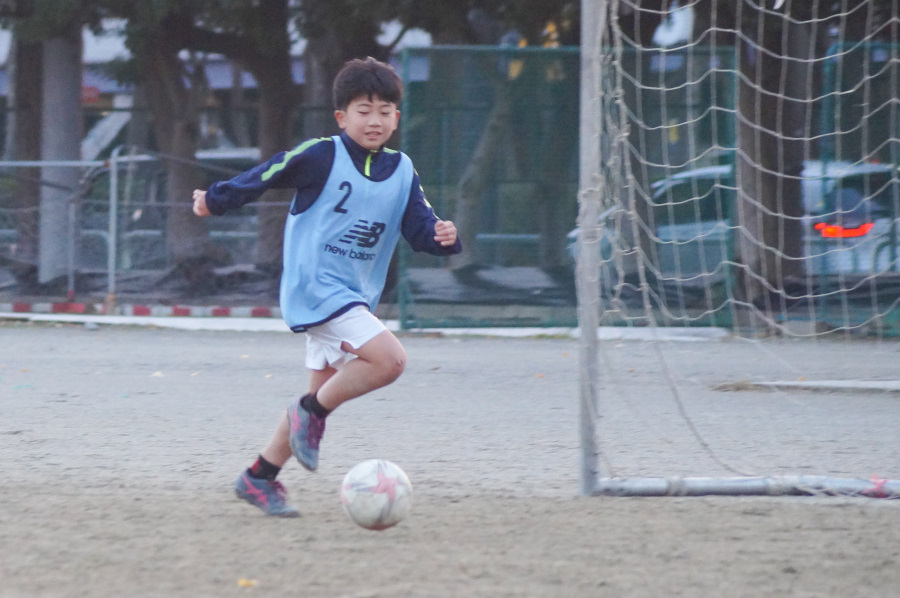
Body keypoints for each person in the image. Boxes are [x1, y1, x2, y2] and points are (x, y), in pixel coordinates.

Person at [192, 57, 462, 517]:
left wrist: (442, 237)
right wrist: (214, 200)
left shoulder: (402, 170)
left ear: (397, 117)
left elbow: (419, 228)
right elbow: (266, 174)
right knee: (390, 361)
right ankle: (309, 414)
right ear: (341, 117)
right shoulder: (322, 155)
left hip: (353, 296)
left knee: (320, 395)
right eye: (363, 110)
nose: (374, 120)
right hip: (316, 288)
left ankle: (259, 477)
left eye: (384, 111)